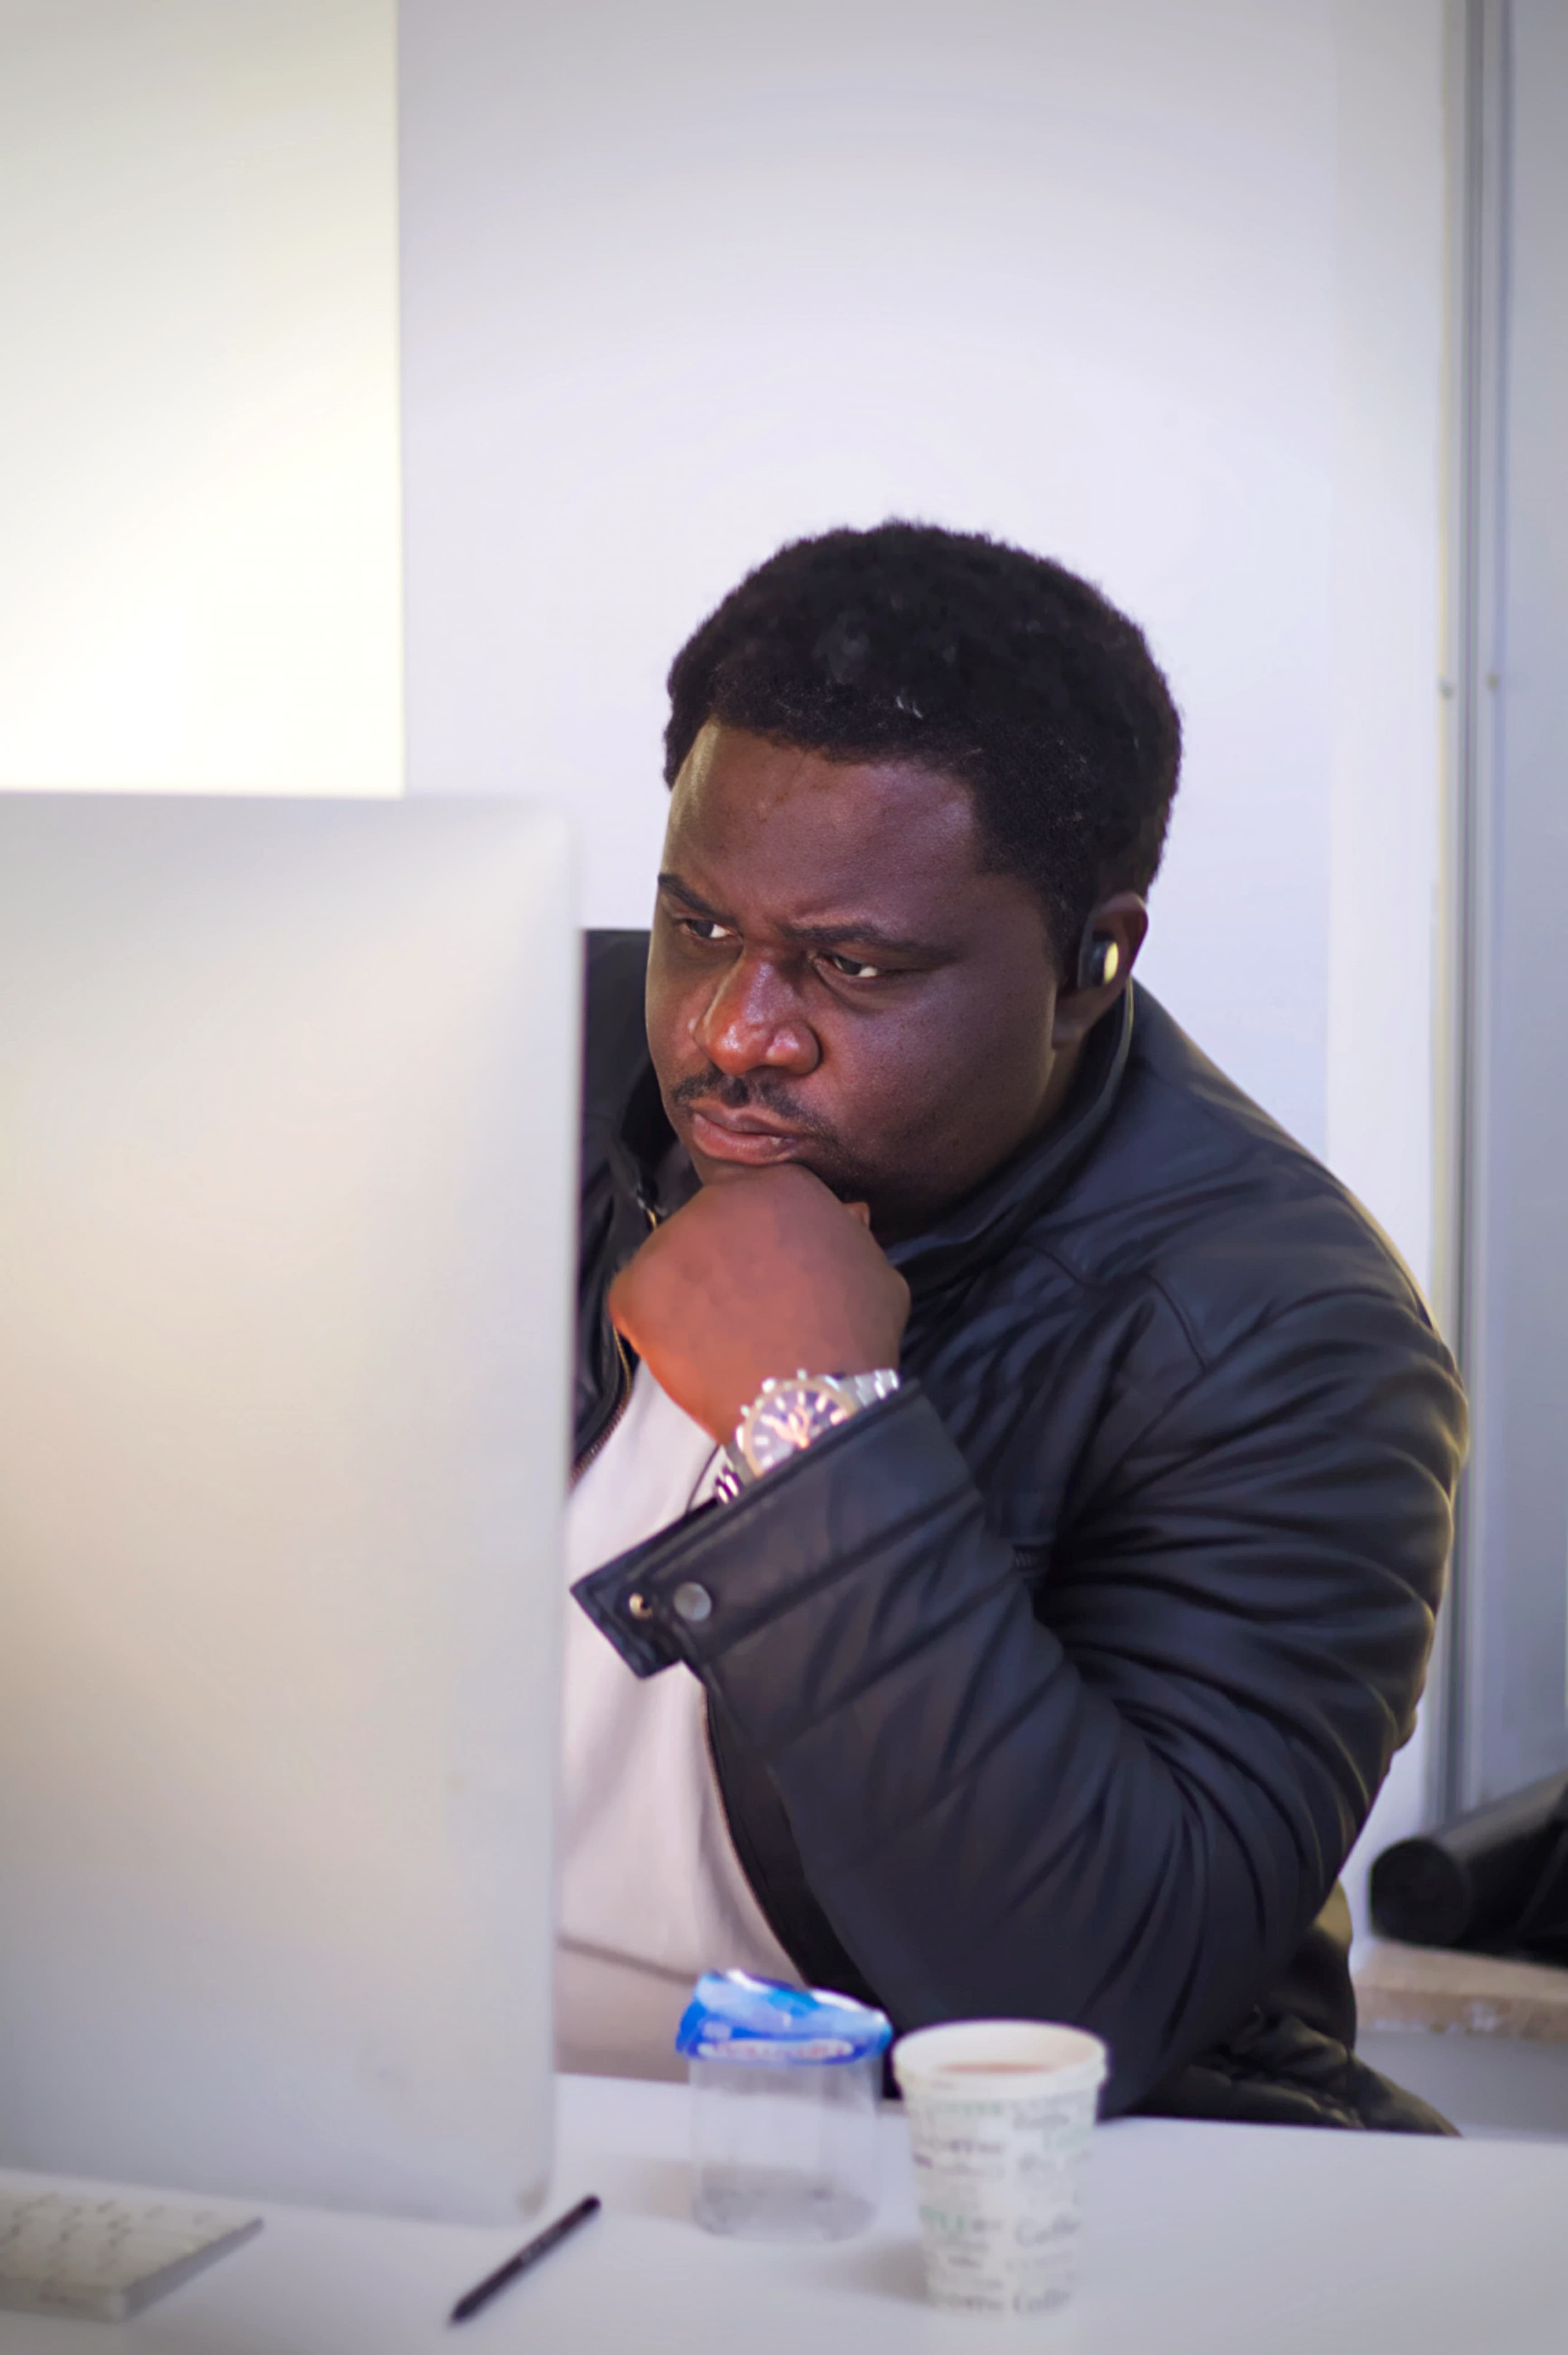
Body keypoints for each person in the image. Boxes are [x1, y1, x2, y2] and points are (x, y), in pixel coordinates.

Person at [558, 519, 1467, 2129]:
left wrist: (813, 1433)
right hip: (462, 2105)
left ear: (1088, 964)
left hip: (958, 2199)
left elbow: (1079, 2002)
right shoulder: (519, 1063)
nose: (731, 1033)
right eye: (699, 925)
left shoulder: (1286, 1342)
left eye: (849, 967)